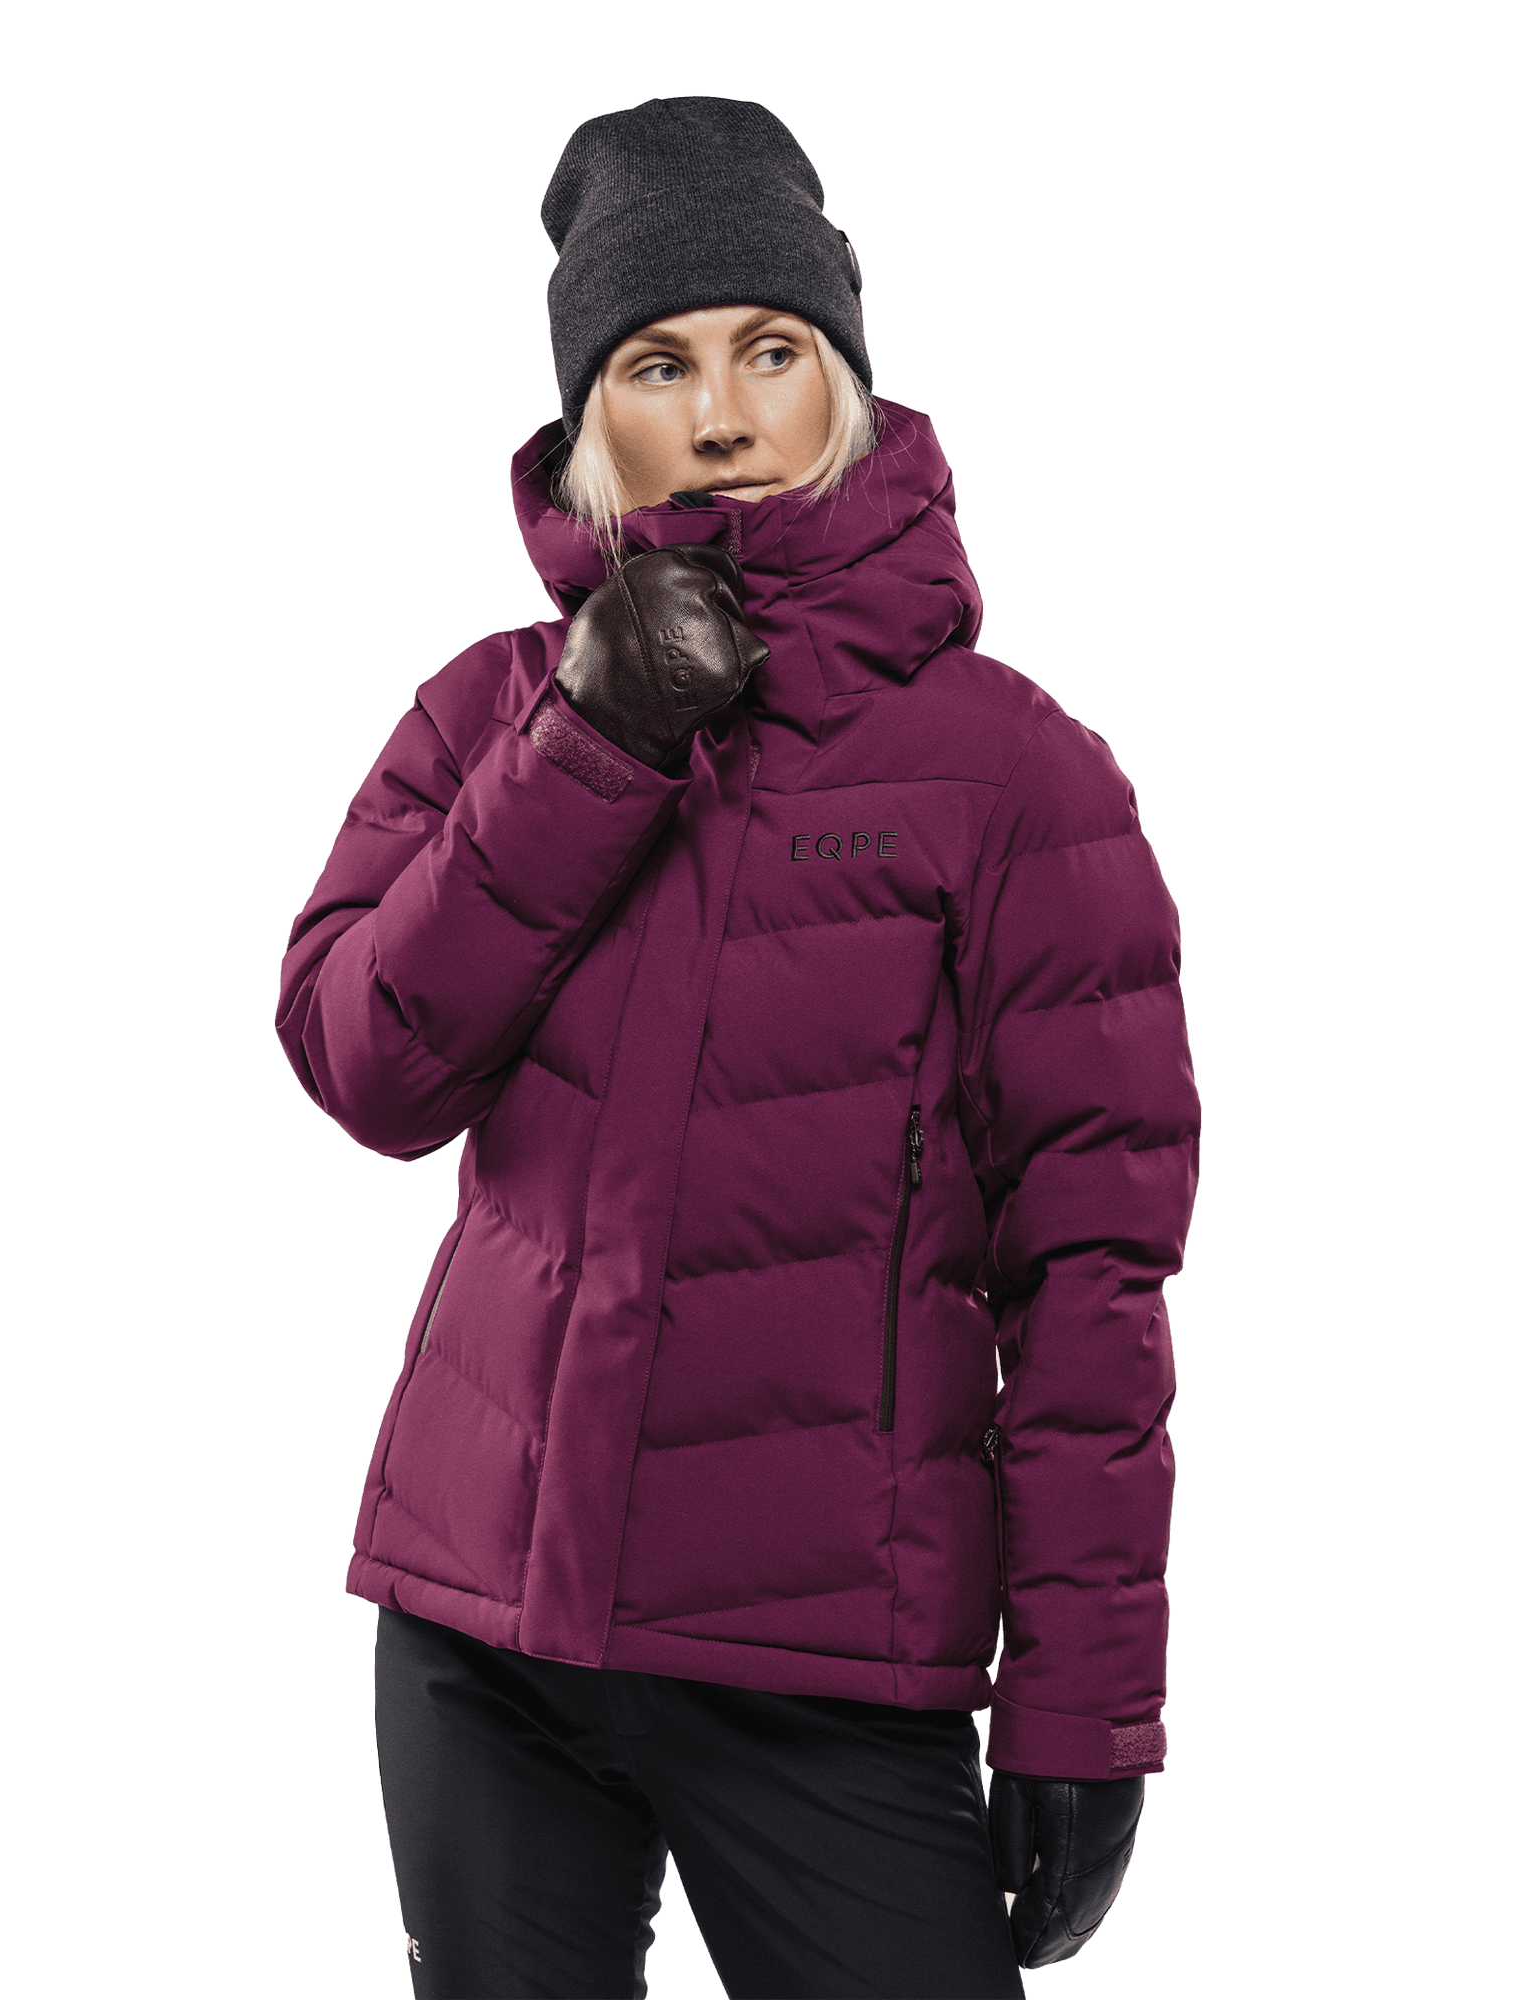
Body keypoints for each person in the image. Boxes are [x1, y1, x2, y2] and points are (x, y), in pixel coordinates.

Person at [276, 95, 1201, 2000]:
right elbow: (369, 1068)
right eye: (658, 363)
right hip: (480, 1634)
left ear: (843, 381)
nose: (719, 412)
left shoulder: (1017, 776)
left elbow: (1094, 1271)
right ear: (586, 419)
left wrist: (1085, 1707)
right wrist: (593, 744)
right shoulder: (488, 714)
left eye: (771, 351)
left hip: (826, 1669)